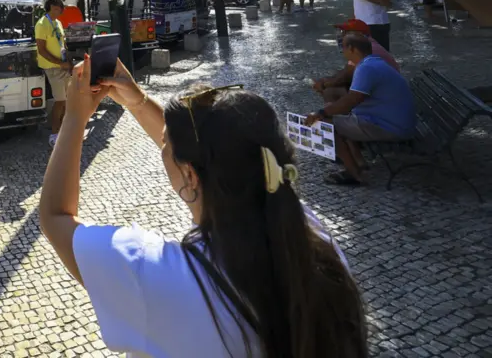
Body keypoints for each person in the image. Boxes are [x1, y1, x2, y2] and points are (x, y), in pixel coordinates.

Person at [39, 61, 367, 357]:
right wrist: (136, 100)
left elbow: (55, 217)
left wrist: (74, 117)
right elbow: (206, 155)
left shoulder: (154, 275)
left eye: (165, 144)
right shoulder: (311, 235)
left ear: (191, 175)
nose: (162, 146)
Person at [306, 32, 416, 186]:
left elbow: (352, 100)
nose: (342, 52)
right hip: (395, 122)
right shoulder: (373, 62)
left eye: (343, 47)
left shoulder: (366, 68)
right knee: (336, 116)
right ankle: (358, 162)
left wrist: (321, 113)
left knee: (326, 124)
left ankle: (355, 174)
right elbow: (352, 98)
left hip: (390, 127)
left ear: (352, 49)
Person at [312, 19, 399, 98]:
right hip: (383, 88)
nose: (342, 35)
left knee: (332, 92)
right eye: (343, 31)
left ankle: (332, 114)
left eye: (346, 32)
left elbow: (345, 76)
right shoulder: (364, 45)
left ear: (359, 35)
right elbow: (346, 71)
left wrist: (325, 84)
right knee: (336, 87)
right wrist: (327, 80)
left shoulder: (367, 49)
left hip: (387, 94)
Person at [35, 0, 75, 148]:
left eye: (61, 8)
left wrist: (68, 62)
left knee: (67, 100)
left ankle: (63, 131)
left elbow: (62, 44)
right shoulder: (41, 24)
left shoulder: (57, 22)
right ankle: (54, 133)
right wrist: (60, 63)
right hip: (53, 67)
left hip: (63, 66)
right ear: (50, 8)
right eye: (57, 8)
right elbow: (42, 50)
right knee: (60, 101)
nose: (60, 11)